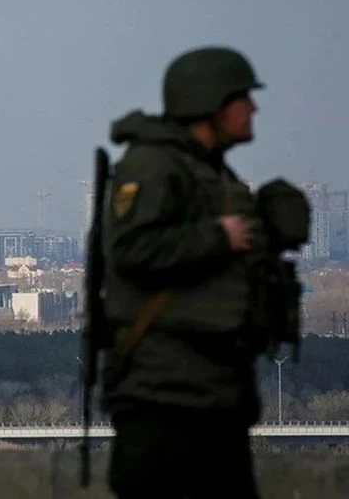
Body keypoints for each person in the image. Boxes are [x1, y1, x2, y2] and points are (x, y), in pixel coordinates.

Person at [99, 46, 275, 499]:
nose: (253, 109)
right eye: (242, 99)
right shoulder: (153, 165)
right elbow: (131, 248)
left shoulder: (208, 171)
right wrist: (217, 237)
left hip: (211, 391)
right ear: (211, 104)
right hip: (164, 397)